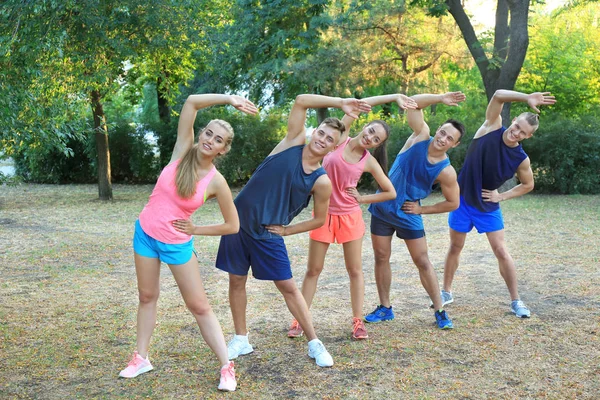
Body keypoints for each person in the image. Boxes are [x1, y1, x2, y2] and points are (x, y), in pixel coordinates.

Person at [216, 94, 371, 367]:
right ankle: (241, 339)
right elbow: (300, 100)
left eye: (329, 140)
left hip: (268, 232)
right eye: (321, 133)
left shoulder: (321, 181)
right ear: (314, 131)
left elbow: (319, 220)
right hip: (238, 222)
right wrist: (340, 104)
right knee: (236, 281)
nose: (322, 139)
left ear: (334, 148)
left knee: (287, 287)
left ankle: (314, 342)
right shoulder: (291, 142)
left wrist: (287, 231)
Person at [119, 94, 258, 392]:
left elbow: (233, 225)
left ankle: (226, 366)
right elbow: (192, 102)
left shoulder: (216, 181)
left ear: (223, 149)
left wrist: (196, 229)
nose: (210, 140)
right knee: (146, 296)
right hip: (145, 233)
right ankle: (141, 358)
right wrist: (229, 100)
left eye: (218, 139)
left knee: (199, 306)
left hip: (176, 244)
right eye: (208, 133)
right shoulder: (182, 150)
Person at [287, 94, 417, 341]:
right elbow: (357, 103)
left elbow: (390, 191)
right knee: (313, 269)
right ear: (364, 126)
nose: (370, 137)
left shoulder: (368, 161)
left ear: (377, 145)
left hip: (349, 217)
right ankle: (299, 319)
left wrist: (363, 199)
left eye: (376, 139)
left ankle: (358, 322)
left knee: (355, 270)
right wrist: (393, 97)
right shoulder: (340, 138)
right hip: (323, 215)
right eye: (370, 131)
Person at [441, 90, 556, 318]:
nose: (516, 133)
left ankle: (516, 300)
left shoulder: (521, 158)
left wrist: (501, 196)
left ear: (528, 136)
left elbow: (528, 184)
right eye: (516, 126)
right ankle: (446, 292)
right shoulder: (491, 126)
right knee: (455, 247)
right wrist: (526, 98)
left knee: (501, 251)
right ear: (513, 120)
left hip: (487, 206)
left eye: (523, 132)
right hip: (462, 200)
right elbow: (498, 95)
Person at [363, 91, 467, 330]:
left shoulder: (446, 171)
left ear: (455, 144)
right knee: (381, 257)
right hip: (382, 208)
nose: (443, 138)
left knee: (422, 261)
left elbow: (453, 203)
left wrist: (422, 209)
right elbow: (413, 103)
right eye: (442, 132)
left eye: (450, 138)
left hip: (409, 215)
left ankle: (439, 310)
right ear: (438, 129)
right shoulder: (420, 136)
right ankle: (385, 307)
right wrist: (441, 97)